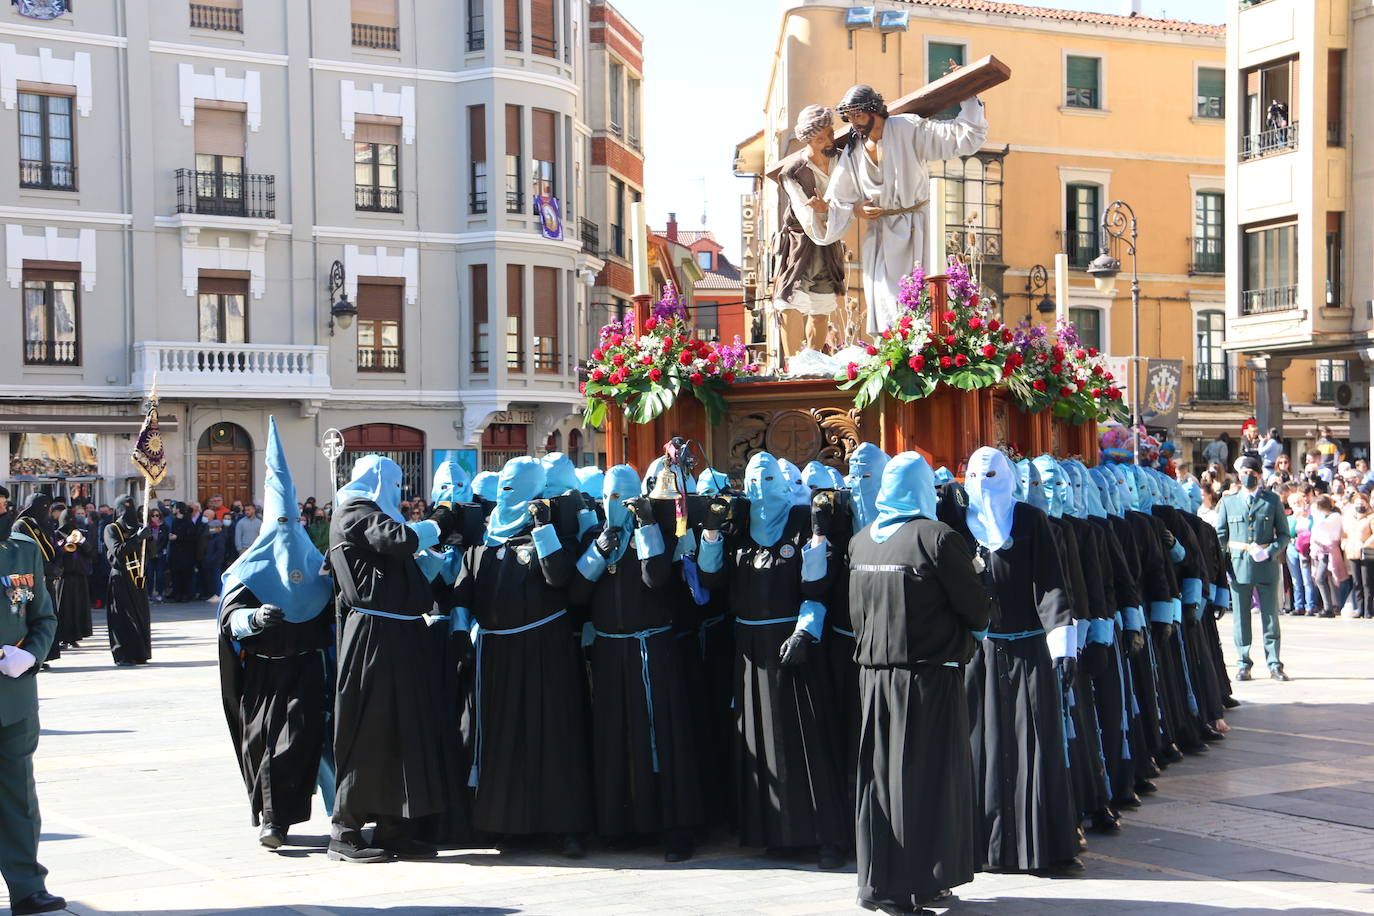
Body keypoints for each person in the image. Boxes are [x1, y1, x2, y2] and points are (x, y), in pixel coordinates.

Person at [848, 452, 992, 914]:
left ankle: (877, 882)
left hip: (873, 678)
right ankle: (913, 884)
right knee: (925, 779)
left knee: (879, 780)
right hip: (927, 677)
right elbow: (976, 608)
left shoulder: (862, 540)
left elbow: (855, 615)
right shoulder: (937, 538)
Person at [696, 451, 848, 870]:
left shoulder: (802, 522)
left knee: (807, 740)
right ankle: (775, 832)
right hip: (750, 649)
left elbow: (817, 587)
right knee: (761, 740)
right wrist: (711, 534)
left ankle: (827, 836)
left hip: (793, 644)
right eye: (753, 480)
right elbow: (712, 581)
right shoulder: (741, 527)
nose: (761, 488)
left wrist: (805, 630)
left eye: (768, 478)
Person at [449, 456, 594, 857]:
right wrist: (461, 631)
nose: (507, 492)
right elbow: (462, 590)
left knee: (552, 736)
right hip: (496, 653)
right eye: (505, 485)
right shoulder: (484, 537)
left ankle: (565, 827)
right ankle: (508, 824)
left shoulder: (553, 526)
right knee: (503, 738)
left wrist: (543, 527)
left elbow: (559, 577)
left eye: (517, 485)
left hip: (544, 649)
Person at [327, 455, 462, 863]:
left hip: (400, 635)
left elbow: (404, 565)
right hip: (374, 638)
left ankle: (394, 828)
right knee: (370, 731)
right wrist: (440, 519)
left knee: (404, 732)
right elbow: (399, 540)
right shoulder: (353, 512)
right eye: (396, 483)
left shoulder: (368, 517)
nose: (399, 493)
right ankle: (345, 832)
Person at [567, 465, 703, 862]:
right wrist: (597, 552)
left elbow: (655, 579)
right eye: (609, 497)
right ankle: (625, 825)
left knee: (663, 737)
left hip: (652, 650)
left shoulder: (655, 532)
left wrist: (644, 527)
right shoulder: (594, 536)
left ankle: (676, 829)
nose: (616, 505)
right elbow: (576, 594)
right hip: (610, 652)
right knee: (618, 737)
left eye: (624, 497)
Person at [956, 447, 1081, 874]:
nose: (984, 483)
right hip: (978, 653)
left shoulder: (1029, 519)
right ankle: (982, 847)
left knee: (1035, 745)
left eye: (992, 474)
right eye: (975, 475)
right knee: (979, 745)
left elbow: (1051, 584)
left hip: (1028, 650)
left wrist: (1062, 645)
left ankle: (1039, 847)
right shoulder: (955, 522)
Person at [217, 417, 336, 851]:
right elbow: (231, 618)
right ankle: (270, 817)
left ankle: (279, 820)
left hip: (305, 672)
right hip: (263, 676)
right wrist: (256, 619)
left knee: (297, 746)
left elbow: (333, 617)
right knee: (262, 748)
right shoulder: (249, 570)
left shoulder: (319, 566)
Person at [810, 83, 988, 334]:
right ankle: (893, 360)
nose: (855, 124)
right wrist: (856, 210)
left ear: (875, 111)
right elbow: (841, 196)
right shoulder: (854, 147)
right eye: (849, 118)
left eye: (858, 116)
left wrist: (968, 96)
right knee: (886, 308)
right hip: (881, 236)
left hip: (918, 230)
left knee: (922, 304)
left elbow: (961, 136)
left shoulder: (907, 128)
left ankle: (921, 358)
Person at [0, 486, 67, 916]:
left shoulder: (22, 550)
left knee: (19, 798)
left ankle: (27, 886)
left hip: (15, 697)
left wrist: (32, 654)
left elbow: (43, 615)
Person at [771, 104, 847, 359]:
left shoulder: (842, 159)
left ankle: (813, 363)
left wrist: (830, 213)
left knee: (822, 303)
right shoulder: (792, 172)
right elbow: (804, 215)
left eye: (829, 134)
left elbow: (851, 194)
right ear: (807, 139)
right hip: (801, 244)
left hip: (831, 241)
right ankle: (793, 364)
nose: (827, 141)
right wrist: (824, 216)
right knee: (790, 300)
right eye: (820, 138)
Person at [1214, 455, 1290, 681]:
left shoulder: (1272, 500)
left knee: (1270, 618)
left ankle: (1274, 663)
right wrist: (1222, 565)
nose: (1247, 477)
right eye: (1244, 473)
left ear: (1259, 475)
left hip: (1265, 564)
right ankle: (1243, 662)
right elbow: (1220, 537)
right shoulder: (1229, 502)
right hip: (1238, 566)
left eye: (1252, 474)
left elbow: (1285, 534)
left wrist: (1270, 551)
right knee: (1240, 618)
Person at [103, 497, 155, 666]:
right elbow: (118, 551)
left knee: (140, 615)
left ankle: (140, 652)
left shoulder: (139, 528)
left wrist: (150, 538)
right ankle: (122, 653)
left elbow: (151, 554)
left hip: (138, 576)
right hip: (120, 577)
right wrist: (136, 539)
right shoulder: (111, 529)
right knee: (122, 617)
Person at [54, 508, 95, 649]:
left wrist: (82, 541)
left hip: (79, 576)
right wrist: (65, 544)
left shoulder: (81, 534)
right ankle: (62, 637)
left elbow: (91, 552)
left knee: (77, 607)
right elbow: (54, 553)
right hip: (63, 577)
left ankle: (74, 636)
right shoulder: (56, 535)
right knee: (64, 608)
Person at [1308, 494, 1346, 617]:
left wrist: (1316, 515)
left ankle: (1331, 607)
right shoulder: (1321, 517)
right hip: (1319, 551)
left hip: (1328, 550)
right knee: (1322, 578)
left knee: (1322, 578)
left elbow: (1323, 525)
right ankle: (1329, 606)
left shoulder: (1335, 516)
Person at [1342, 491, 1373, 619]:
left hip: (1366, 553)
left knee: (1367, 582)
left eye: (1362, 503)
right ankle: (1359, 608)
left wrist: (1365, 544)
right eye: (1357, 503)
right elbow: (1343, 535)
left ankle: (1368, 609)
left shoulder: (1371, 518)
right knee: (1357, 582)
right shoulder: (1349, 518)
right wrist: (1345, 544)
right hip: (1352, 553)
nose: (1359, 505)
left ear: (1366, 504)